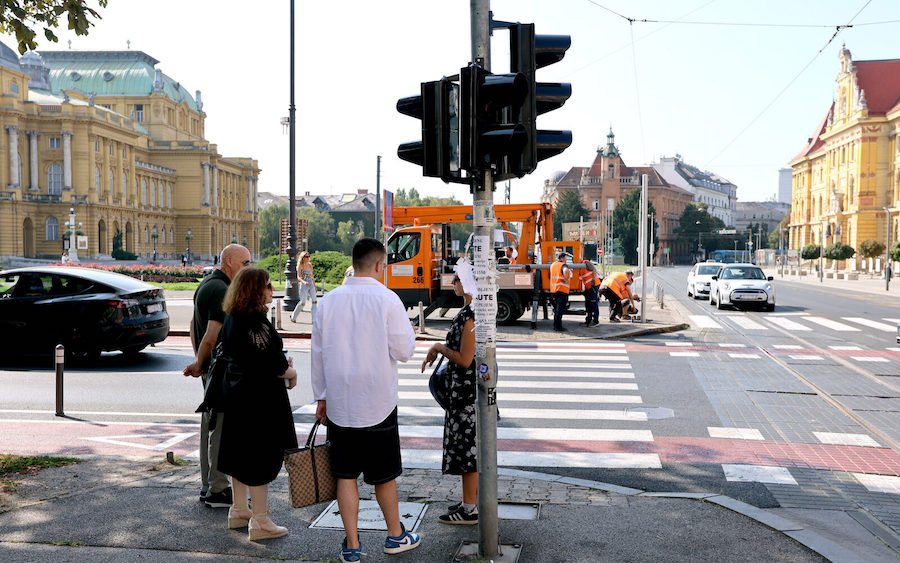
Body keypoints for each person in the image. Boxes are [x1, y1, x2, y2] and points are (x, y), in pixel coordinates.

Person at [311, 238, 421, 562]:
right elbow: (404, 350)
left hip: (340, 404)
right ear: (378, 265)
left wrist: (321, 398)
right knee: (384, 476)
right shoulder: (388, 300)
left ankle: (353, 545)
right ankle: (394, 536)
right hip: (378, 402)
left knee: (345, 475)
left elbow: (317, 355)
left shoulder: (328, 302)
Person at [216, 268, 298, 540]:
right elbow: (270, 363)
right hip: (260, 402)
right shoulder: (255, 322)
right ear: (254, 290)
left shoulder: (233, 317)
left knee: (240, 455)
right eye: (267, 285)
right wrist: (291, 372)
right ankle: (261, 521)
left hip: (237, 399)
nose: (272, 289)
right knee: (260, 457)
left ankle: (240, 510)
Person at [183, 244, 252, 508]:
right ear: (230, 262)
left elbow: (193, 326)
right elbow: (211, 336)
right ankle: (217, 489)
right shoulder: (222, 290)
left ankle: (209, 486)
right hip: (221, 371)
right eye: (245, 263)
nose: (248, 267)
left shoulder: (208, 284)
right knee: (220, 428)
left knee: (211, 425)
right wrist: (201, 362)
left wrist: (200, 362)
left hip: (212, 368)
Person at [420, 259, 478, 525]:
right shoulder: (467, 311)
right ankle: (469, 503)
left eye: (456, 278)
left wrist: (440, 348)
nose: (453, 282)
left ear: (466, 283)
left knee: (467, 453)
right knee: (465, 451)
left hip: (465, 395)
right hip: (461, 394)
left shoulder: (470, 316)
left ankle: (470, 509)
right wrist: (439, 347)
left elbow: (465, 359)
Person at [290, 251, 317, 322]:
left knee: (314, 301)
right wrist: (304, 282)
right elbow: (298, 277)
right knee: (303, 302)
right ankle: (293, 316)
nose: (308, 258)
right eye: (306, 257)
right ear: (303, 258)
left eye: (308, 256)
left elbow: (312, 276)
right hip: (304, 285)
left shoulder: (310, 265)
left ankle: (314, 319)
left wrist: (314, 285)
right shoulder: (300, 265)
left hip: (311, 284)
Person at [550, 252, 572, 332]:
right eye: (565, 258)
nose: (566, 260)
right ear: (562, 258)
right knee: (559, 310)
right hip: (562, 290)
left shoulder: (553, 265)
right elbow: (566, 271)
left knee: (556, 310)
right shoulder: (563, 265)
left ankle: (555, 325)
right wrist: (566, 279)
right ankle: (558, 327)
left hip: (553, 290)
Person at [580, 259, 601, 327]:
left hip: (593, 286)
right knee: (588, 303)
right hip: (588, 287)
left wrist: (593, 280)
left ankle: (595, 320)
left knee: (593, 303)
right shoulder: (579, 266)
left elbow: (594, 269)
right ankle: (588, 320)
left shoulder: (585, 263)